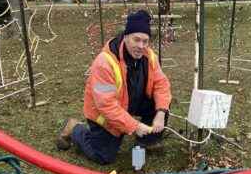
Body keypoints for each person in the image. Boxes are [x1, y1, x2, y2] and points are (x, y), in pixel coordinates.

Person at [56, 10, 172, 165]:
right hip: (104, 113)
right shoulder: (105, 63)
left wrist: (160, 113)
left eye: (145, 41)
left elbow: (161, 84)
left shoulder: (149, 56)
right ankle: (74, 128)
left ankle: (146, 142)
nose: (141, 46)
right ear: (125, 37)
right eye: (136, 40)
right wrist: (134, 126)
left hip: (130, 103)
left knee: (162, 103)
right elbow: (106, 105)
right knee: (103, 156)